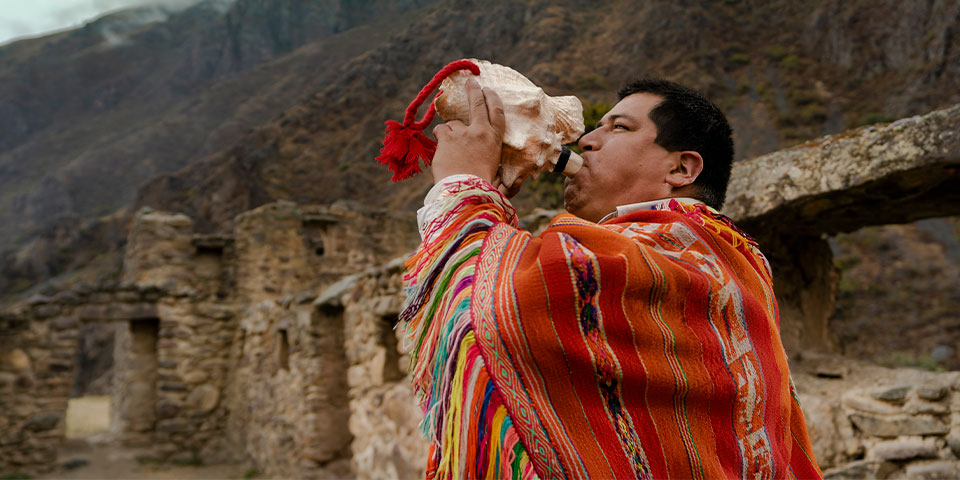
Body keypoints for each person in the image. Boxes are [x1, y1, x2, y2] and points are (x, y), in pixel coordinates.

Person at [400, 77, 822, 479]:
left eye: (619, 127)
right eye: (596, 127)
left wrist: (463, 186)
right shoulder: (725, 261)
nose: (586, 140)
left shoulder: (675, 255)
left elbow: (505, 305)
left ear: (681, 168)